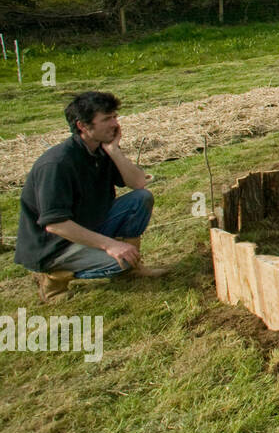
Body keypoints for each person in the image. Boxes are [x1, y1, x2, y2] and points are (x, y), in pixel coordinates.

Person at [15, 91, 166, 303]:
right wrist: (110, 245)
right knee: (119, 262)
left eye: (115, 116)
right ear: (82, 126)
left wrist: (114, 151)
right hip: (55, 246)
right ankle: (53, 277)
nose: (115, 124)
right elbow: (56, 225)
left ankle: (130, 269)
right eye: (106, 119)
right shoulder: (57, 165)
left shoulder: (101, 149)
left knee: (141, 198)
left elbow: (138, 183)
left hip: (88, 226)